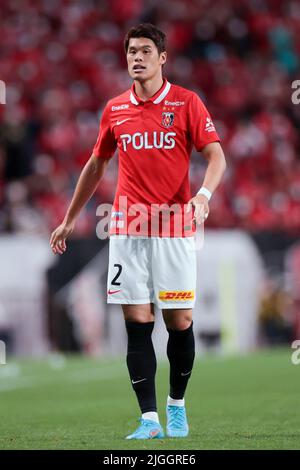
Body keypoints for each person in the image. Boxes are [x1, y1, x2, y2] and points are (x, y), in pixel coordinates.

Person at [50, 23, 226, 440]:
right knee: (137, 321)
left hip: (174, 227)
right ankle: (149, 420)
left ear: (162, 58)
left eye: (146, 51)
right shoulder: (114, 110)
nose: (137, 58)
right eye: (131, 51)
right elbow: (97, 165)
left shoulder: (186, 103)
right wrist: (70, 217)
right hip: (128, 227)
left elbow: (216, 156)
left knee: (179, 319)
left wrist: (203, 195)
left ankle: (177, 406)